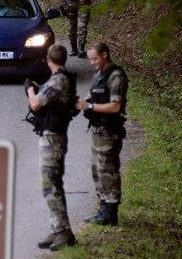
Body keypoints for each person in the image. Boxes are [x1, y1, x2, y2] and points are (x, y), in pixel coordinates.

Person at [25, 44, 77, 251]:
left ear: (49, 59)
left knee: (50, 185)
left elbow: (36, 104)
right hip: (53, 136)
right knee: (53, 184)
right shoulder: (63, 79)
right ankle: (59, 228)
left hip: (53, 138)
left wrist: (30, 89)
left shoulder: (58, 79)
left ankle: (63, 232)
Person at [77, 42, 129, 226]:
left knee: (108, 170)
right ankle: (103, 207)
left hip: (110, 131)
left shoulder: (116, 76)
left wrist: (90, 106)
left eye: (94, 59)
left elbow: (116, 106)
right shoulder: (99, 74)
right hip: (97, 129)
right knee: (97, 170)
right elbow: (94, 95)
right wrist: (83, 101)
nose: (91, 63)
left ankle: (111, 211)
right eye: (90, 59)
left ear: (105, 55)